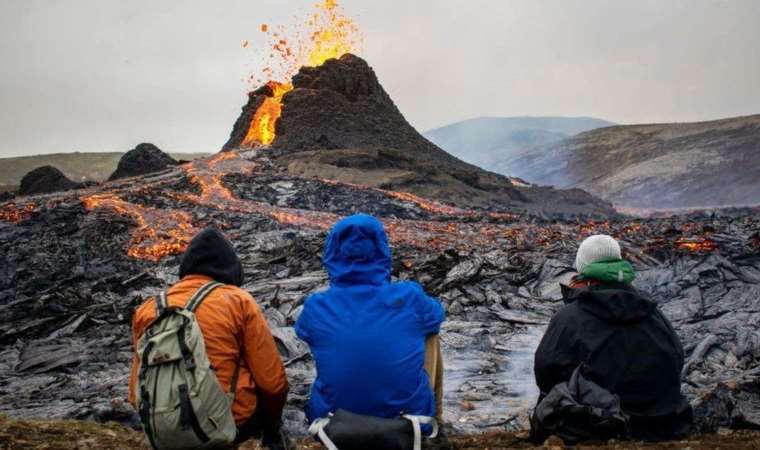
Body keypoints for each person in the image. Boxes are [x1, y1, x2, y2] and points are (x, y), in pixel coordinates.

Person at [128, 228, 290, 449]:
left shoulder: (148, 308)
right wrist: (273, 427)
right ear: (231, 268)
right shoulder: (238, 301)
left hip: (163, 424)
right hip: (228, 423)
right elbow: (272, 383)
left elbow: (135, 390)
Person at [295, 214, 445, 445]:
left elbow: (303, 331)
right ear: (382, 251)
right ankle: (436, 424)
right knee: (429, 333)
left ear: (332, 254)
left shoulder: (317, 306)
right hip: (406, 421)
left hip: (331, 422)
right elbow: (437, 316)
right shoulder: (409, 297)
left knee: (331, 343)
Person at [532, 234, 692, 442]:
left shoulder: (570, 317)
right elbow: (675, 358)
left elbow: (546, 370)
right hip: (662, 423)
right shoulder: (653, 313)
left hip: (599, 425)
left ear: (582, 268)